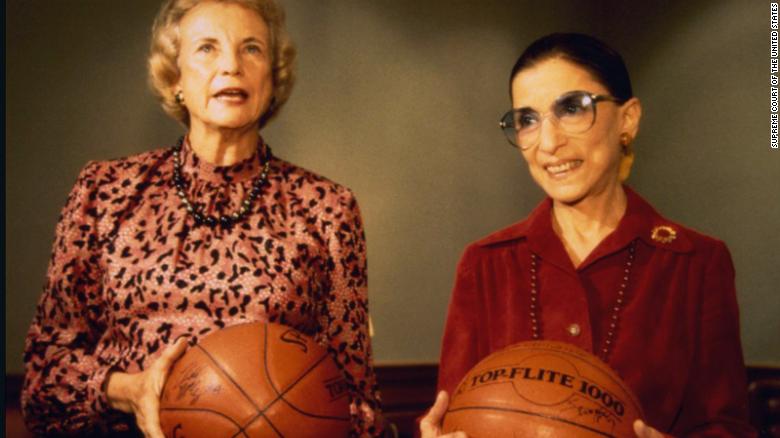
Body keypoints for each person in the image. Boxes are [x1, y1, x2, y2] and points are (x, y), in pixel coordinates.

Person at [21, 1, 383, 436]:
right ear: (175, 79)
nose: (231, 65)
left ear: (272, 79)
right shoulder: (103, 191)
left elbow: (355, 401)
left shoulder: (327, 207)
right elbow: (44, 382)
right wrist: (130, 391)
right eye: (207, 48)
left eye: (251, 49)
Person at [420, 33, 755, 438]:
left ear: (627, 119)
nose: (549, 143)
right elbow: (459, 414)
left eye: (572, 108)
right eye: (527, 120)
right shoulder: (485, 263)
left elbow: (727, 428)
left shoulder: (697, 262)